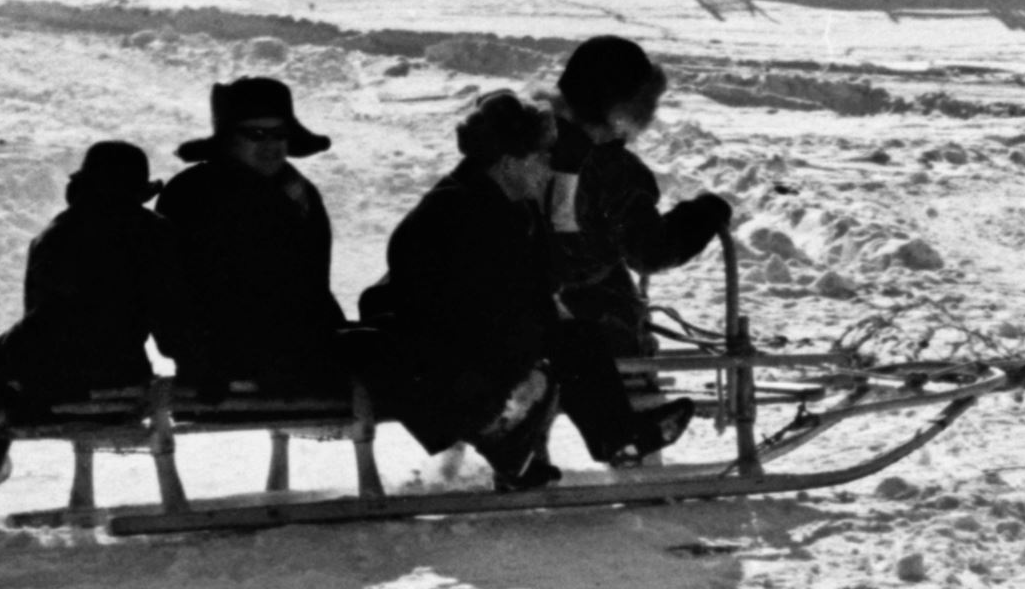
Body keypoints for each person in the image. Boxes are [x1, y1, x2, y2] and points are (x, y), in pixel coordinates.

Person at [0, 140, 174, 504]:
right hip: (112, 366)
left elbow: (35, 306)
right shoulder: (156, 235)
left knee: (11, 390)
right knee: (88, 384)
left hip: (27, 355)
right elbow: (169, 319)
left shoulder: (53, 235)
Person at [360, 92, 577, 490]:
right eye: (542, 157)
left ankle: (536, 449)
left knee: (573, 337)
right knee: (569, 340)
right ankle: (599, 438)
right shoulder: (457, 208)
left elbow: (549, 275)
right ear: (510, 160)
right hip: (438, 349)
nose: (548, 168)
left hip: (474, 342)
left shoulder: (511, 204)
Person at [544, 36, 730, 464]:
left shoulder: (532, 142)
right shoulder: (614, 171)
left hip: (518, 298)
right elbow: (650, 252)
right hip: (578, 315)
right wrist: (702, 216)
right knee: (623, 321)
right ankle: (637, 447)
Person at [157, 76, 348, 400]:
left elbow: (312, 285)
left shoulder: (298, 192)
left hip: (292, 348)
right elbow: (181, 296)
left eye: (279, 134)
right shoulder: (194, 194)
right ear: (229, 139)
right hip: (225, 358)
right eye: (256, 134)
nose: (270, 145)